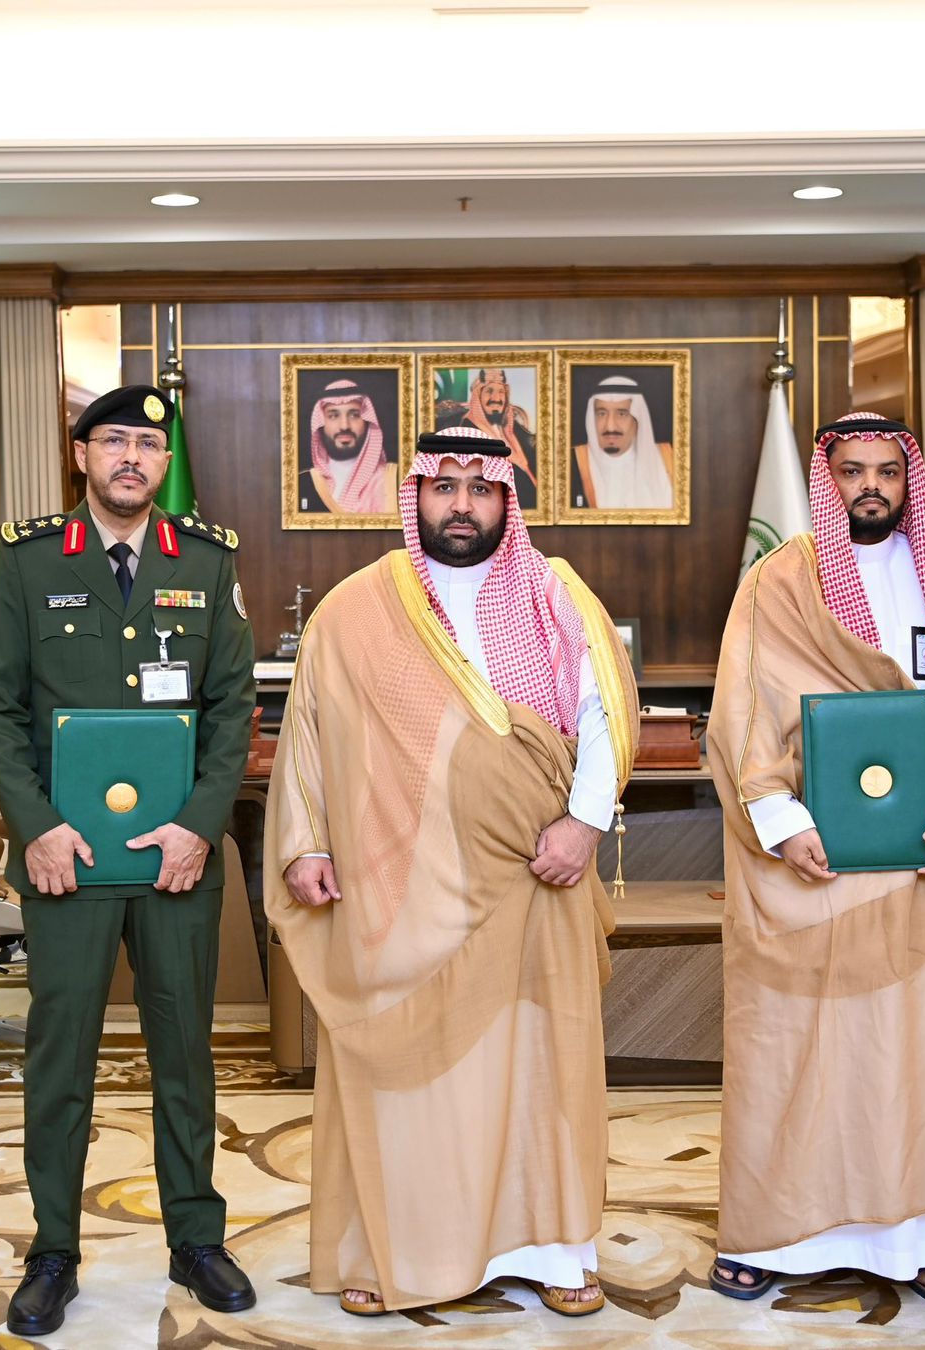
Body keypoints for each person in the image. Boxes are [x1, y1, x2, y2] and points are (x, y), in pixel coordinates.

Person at [264, 426, 640, 1317]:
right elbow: (308, 731)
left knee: (542, 1064)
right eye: (445, 486)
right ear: (417, 495)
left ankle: (554, 1251)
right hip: (403, 888)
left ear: (506, 498)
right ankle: (391, 1248)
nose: (462, 504)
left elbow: (604, 715)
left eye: (481, 487)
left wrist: (585, 825)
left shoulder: (554, 593)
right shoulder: (355, 609)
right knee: (407, 1068)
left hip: (539, 875)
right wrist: (306, 843)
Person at [704, 411, 925, 1311]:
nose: (870, 487)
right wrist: (780, 818)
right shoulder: (781, 581)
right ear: (829, 479)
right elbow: (744, 706)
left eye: (887, 471)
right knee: (807, 1049)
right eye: (852, 471)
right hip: (819, 852)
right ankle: (785, 1234)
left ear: (908, 479)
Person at [0, 384, 258, 1336]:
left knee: (185, 1054)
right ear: (82, 454)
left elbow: (231, 709)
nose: (133, 457)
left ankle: (196, 1240)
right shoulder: (29, 560)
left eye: (148, 444)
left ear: (164, 463)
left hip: (176, 861)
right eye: (114, 441)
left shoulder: (206, 561)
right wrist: (37, 827)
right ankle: (53, 1249)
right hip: (69, 860)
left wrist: (200, 825)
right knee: (61, 1058)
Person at [436, 366, 540, 510]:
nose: (496, 398)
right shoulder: (467, 433)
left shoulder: (514, 428)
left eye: (501, 392)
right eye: (489, 391)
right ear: (478, 396)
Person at [570, 375, 674, 510]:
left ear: (637, 420)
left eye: (622, 414)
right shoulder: (571, 463)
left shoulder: (669, 460)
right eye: (601, 414)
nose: (610, 426)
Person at [296, 378, 399, 514]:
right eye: (333, 416)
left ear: (367, 421)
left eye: (354, 415)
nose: (344, 426)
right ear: (320, 424)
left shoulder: (397, 479)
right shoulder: (301, 484)